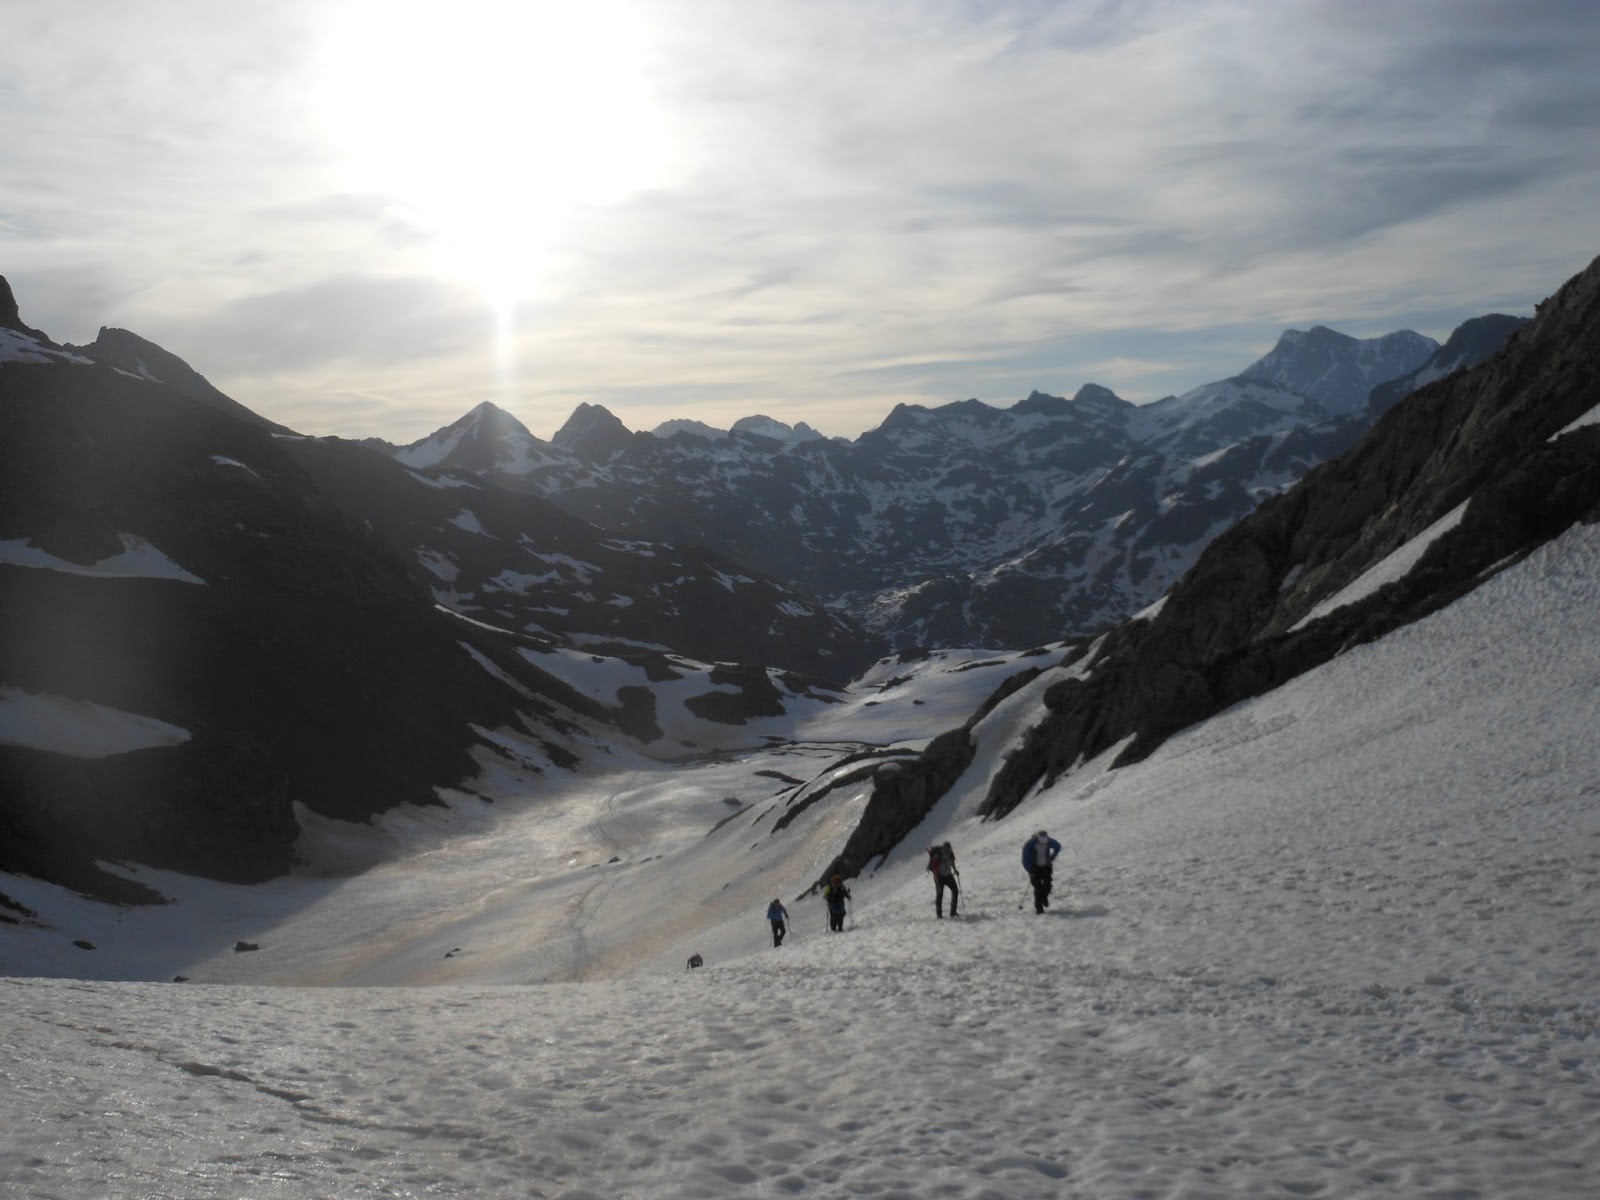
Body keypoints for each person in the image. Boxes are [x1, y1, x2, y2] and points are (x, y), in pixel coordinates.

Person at [1022, 829, 1061, 914]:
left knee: (1048, 885)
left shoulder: (1048, 841)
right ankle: (1039, 908)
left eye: (1045, 838)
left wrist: (1052, 857)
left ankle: (1044, 898)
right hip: (1034, 869)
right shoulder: (1029, 844)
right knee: (1038, 888)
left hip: (1046, 867)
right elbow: (1025, 858)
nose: (1043, 840)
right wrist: (1030, 869)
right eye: (1041, 838)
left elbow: (1057, 846)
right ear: (1037, 837)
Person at [926, 841, 959, 918]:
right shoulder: (937, 856)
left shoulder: (950, 854)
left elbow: (952, 862)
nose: (947, 851)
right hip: (939, 876)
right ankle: (939, 914)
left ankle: (953, 912)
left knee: (955, 891)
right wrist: (936, 879)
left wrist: (955, 870)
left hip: (948, 875)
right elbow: (935, 869)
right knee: (940, 894)